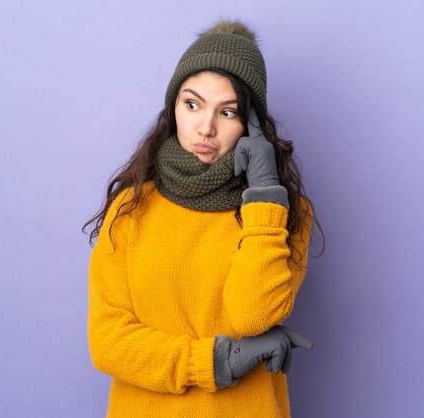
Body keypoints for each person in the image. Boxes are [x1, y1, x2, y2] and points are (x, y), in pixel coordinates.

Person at [83, 17, 323, 418]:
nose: (205, 128)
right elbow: (107, 342)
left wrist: (263, 192)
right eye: (191, 104)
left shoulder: (284, 213)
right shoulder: (132, 209)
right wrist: (216, 361)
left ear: (252, 125)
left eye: (227, 112)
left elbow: (252, 314)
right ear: (173, 106)